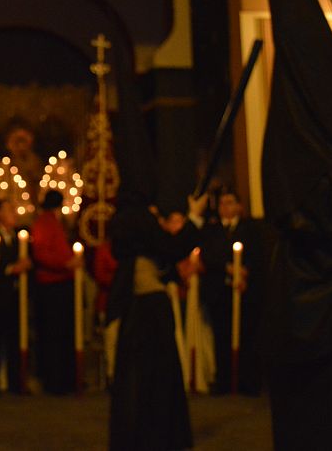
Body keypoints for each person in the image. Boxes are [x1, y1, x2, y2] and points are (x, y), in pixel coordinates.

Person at [107, 192, 206, 451]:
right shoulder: (141, 226)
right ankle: (157, 434)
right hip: (150, 309)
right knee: (157, 373)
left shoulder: (129, 240)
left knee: (135, 374)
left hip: (136, 307)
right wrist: (194, 217)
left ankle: (137, 433)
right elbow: (171, 247)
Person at [200, 188, 264, 395]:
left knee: (248, 336)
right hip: (220, 292)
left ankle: (248, 381)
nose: (226, 207)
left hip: (246, 292)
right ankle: (225, 381)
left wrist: (246, 273)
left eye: (230, 202)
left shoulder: (251, 229)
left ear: (238, 206)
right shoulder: (211, 231)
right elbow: (208, 256)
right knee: (222, 337)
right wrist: (227, 267)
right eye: (222, 203)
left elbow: (258, 254)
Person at [31, 190, 82, 395]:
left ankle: (63, 379)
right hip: (52, 286)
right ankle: (55, 381)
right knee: (54, 334)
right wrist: (67, 263)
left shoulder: (51, 222)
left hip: (60, 284)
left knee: (61, 334)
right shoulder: (45, 223)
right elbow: (43, 253)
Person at [0, 199, 32, 397]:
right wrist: (12, 268)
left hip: (14, 297)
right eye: (10, 210)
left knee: (16, 339)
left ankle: (16, 381)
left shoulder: (16, 236)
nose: (14, 214)